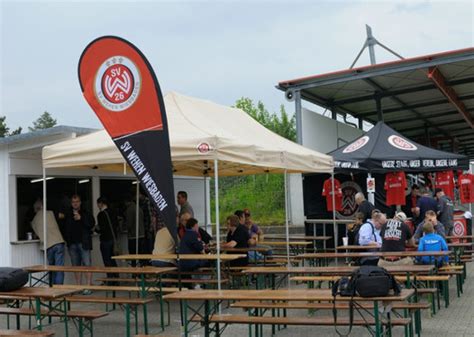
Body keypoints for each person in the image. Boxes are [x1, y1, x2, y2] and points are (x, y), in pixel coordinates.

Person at [30, 199, 65, 284]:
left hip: (47, 246)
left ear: (35, 209)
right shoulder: (50, 213)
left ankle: (52, 288)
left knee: (51, 269)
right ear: (42, 206)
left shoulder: (33, 221)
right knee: (59, 268)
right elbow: (62, 216)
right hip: (58, 242)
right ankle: (59, 289)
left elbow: (36, 235)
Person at [64, 194, 95, 291]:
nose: (75, 204)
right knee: (75, 266)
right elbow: (63, 227)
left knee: (87, 264)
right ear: (71, 203)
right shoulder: (68, 214)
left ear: (80, 202)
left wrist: (81, 219)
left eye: (77, 201)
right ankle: (78, 287)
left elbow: (91, 225)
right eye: (73, 202)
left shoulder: (86, 213)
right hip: (72, 243)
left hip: (84, 242)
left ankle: (88, 286)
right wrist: (67, 240)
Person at [95, 197, 119, 283]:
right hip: (113, 239)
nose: (97, 206)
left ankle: (110, 279)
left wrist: (96, 229)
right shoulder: (113, 212)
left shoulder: (101, 215)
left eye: (98, 204)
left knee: (107, 260)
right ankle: (116, 278)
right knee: (113, 260)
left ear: (101, 203)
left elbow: (102, 229)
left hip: (105, 240)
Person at [125, 196, 146, 265]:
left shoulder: (129, 209)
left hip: (133, 235)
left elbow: (129, 224)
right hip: (141, 234)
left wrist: (125, 228)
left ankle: (135, 272)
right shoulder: (139, 208)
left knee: (133, 256)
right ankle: (142, 272)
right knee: (141, 255)